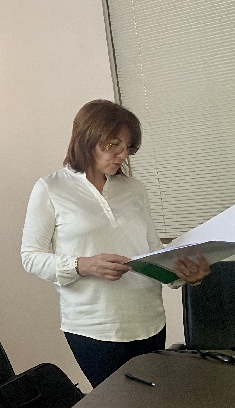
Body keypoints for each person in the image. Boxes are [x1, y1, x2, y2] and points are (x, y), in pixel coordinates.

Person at [21, 99, 210, 387]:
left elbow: (151, 251)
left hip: (149, 321)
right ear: (86, 139)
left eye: (128, 148)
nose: (122, 155)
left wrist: (183, 274)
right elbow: (31, 256)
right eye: (113, 145)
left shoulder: (134, 189)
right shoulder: (51, 188)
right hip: (94, 327)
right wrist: (83, 265)